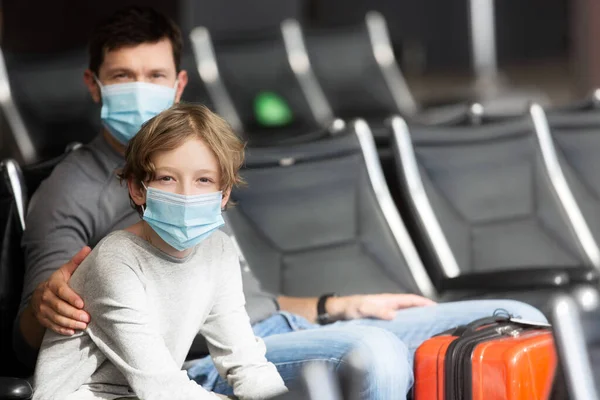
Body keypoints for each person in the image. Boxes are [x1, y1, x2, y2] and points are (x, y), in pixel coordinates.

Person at [15, 6, 547, 399]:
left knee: (520, 318)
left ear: (177, 85)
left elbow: (237, 307)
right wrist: (45, 306)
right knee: (376, 358)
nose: (141, 90)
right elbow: (44, 316)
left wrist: (337, 306)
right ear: (94, 85)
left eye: (154, 76)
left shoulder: (204, 195)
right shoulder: (73, 195)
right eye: (123, 77)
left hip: (276, 331)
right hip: (187, 363)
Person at [33, 104, 287, 400]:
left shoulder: (219, 250)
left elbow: (246, 363)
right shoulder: (116, 261)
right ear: (137, 188)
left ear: (225, 193)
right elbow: (162, 388)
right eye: (167, 178)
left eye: (203, 180)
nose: (186, 194)